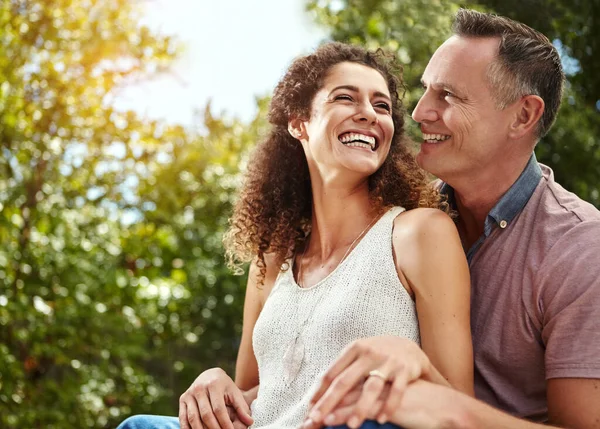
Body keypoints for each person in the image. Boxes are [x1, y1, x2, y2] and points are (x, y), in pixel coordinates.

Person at [117, 42, 473, 429]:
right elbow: (257, 399)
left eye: (382, 106)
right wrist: (216, 386)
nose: (369, 114)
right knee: (139, 426)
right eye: (345, 97)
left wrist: (407, 363)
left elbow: (457, 405)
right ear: (298, 123)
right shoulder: (272, 260)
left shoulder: (419, 232)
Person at [302, 9, 600, 429]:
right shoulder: (399, 215)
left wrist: (444, 405)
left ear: (523, 116)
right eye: (426, 91)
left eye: (449, 96)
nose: (421, 112)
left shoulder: (580, 251)